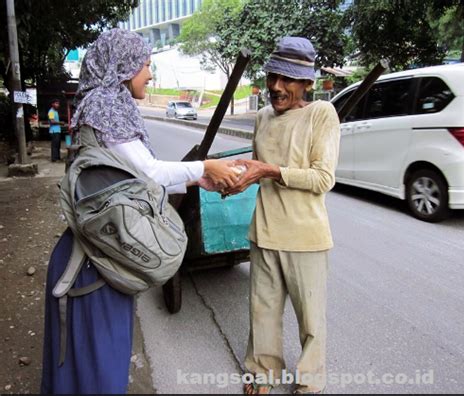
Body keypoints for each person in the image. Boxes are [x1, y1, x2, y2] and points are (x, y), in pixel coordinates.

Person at [41, 28, 238, 394]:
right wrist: (204, 168)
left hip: (98, 252)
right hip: (93, 263)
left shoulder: (102, 103)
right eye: (146, 64)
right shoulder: (106, 104)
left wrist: (198, 180)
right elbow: (148, 173)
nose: (150, 73)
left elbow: (132, 179)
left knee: (87, 364)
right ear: (124, 65)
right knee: (97, 370)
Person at [225, 37, 341, 394]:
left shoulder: (321, 114)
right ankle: (262, 371)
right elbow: (257, 169)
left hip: (305, 237)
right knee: (262, 312)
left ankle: (309, 379)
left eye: (288, 80)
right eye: (273, 76)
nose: (276, 86)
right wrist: (237, 179)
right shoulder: (262, 117)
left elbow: (323, 178)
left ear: (306, 83)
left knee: (311, 321)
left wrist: (270, 171)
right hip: (264, 231)